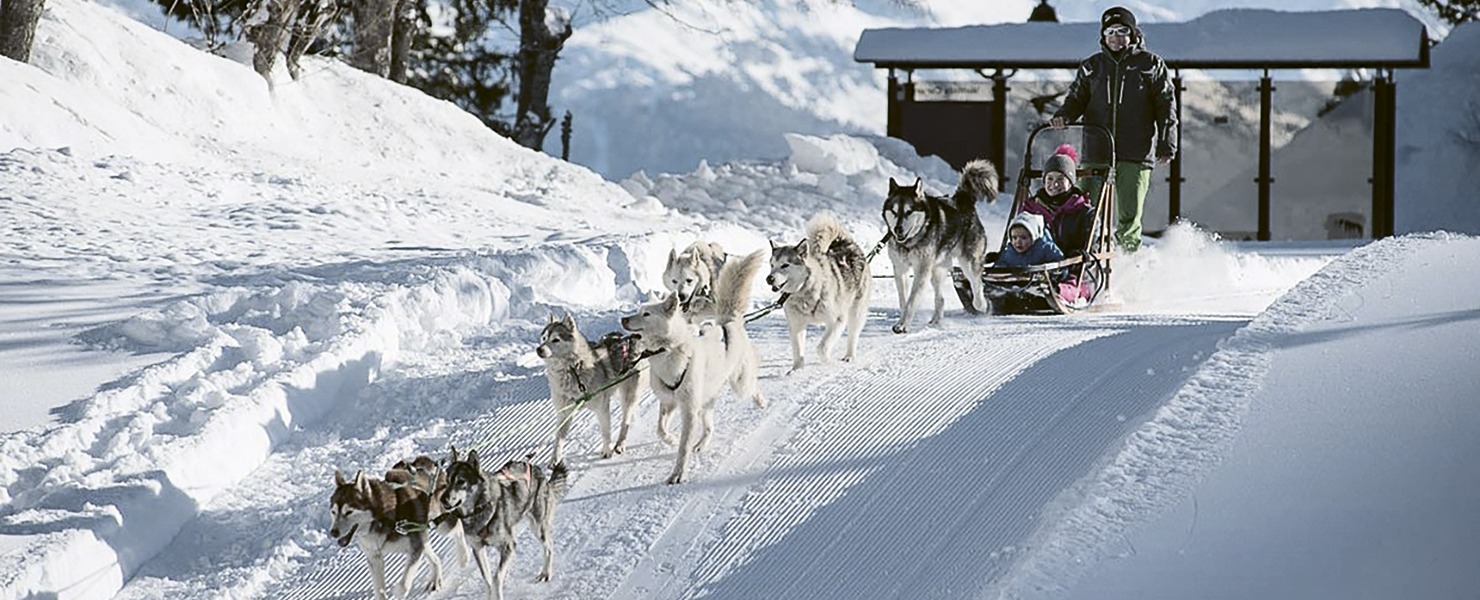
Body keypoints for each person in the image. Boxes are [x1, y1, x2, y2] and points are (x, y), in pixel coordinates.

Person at [1051, 6, 1177, 253]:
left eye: (1122, 31)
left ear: (1132, 33)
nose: (1115, 37)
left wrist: (1166, 142)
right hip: (1097, 150)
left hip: (1135, 151)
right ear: (1103, 35)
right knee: (1085, 208)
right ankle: (1084, 258)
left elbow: (1166, 106)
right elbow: (1076, 98)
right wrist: (1063, 115)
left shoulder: (1150, 65)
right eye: (1110, 32)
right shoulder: (1092, 66)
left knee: (1129, 215)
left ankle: (1126, 262)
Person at [997, 212, 1064, 268]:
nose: (1018, 241)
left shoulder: (1045, 248)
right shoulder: (1009, 252)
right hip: (1016, 278)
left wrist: (1052, 274)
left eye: (1023, 238)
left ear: (1033, 238)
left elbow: (1059, 263)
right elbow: (1000, 264)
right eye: (1014, 238)